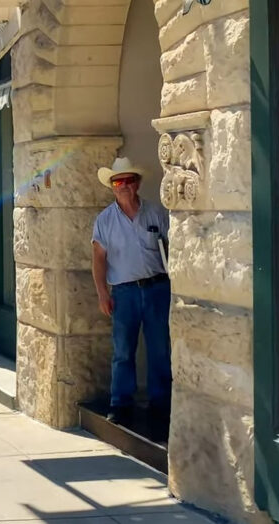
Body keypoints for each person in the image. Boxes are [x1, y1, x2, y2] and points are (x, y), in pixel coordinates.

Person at [91, 157, 172, 432]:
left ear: (136, 184)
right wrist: (102, 293)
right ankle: (120, 405)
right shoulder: (104, 220)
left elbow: (171, 247)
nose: (122, 186)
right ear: (112, 187)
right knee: (123, 350)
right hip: (124, 293)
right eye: (117, 182)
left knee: (159, 350)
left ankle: (160, 406)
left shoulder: (156, 213)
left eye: (127, 181)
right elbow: (98, 259)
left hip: (157, 288)